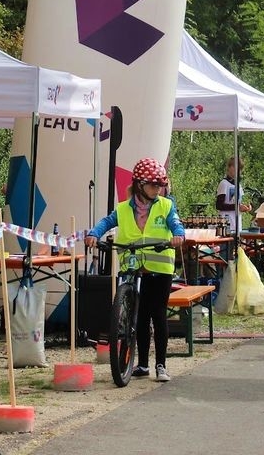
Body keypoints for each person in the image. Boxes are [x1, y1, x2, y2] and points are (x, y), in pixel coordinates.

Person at [84, 158, 185, 381]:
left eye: (160, 185)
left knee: (157, 315)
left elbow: (176, 223)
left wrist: (178, 235)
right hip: (132, 267)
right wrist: (93, 234)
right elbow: (106, 222)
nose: (157, 189)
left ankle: (161, 365)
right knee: (137, 317)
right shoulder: (122, 209)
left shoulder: (166, 205)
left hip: (159, 269)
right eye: (153, 185)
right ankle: (141, 365)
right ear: (140, 185)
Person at [216, 156, 252, 235]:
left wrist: (245, 207)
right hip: (226, 224)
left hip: (237, 223)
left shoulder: (238, 185)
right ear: (230, 167)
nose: (238, 171)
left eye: (240, 169)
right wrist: (237, 207)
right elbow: (219, 205)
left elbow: (238, 202)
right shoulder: (224, 184)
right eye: (236, 168)